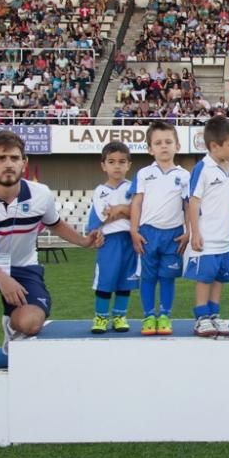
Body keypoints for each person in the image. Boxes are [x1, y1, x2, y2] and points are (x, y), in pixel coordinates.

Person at [0, 131, 100, 371]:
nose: (8, 164)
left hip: (24, 266)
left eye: (14, 158)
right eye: (0, 158)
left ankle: (11, 325)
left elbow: (56, 224)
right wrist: (2, 278)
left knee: (31, 323)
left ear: (24, 163)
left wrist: (84, 241)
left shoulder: (40, 194)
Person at [129, 121, 191, 336]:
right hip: (148, 233)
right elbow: (136, 202)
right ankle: (148, 316)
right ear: (150, 149)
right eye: (158, 143)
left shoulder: (184, 175)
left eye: (168, 142)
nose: (164, 146)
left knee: (167, 276)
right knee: (148, 277)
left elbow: (187, 205)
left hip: (174, 234)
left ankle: (164, 315)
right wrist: (134, 230)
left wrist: (189, 231)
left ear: (177, 146)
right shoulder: (144, 173)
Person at [185, 116, 229, 337]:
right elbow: (193, 201)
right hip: (207, 238)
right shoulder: (203, 168)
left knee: (220, 278)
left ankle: (214, 315)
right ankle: (201, 318)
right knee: (205, 278)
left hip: (227, 238)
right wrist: (195, 232)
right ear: (214, 146)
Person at [86, 141, 136, 334]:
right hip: (109, 241)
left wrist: (120, 211)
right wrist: (124, 212)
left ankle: (119, 316)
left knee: (126, 279)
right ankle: (100, 317)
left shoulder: (133, 189)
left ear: (128, 165)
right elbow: (101, 216)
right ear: (103, 165)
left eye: (122, 162)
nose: (117, 166)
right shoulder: (101, 191)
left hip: (129, 239)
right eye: (112, 161)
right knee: (106, 279)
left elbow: (138, 213)